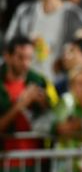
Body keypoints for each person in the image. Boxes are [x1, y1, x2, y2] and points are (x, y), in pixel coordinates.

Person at [5, 0, 82, 83]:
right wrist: (26, 42)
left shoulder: (73, 14)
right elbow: (9, 40)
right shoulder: (24, 11)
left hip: (59, 82)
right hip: (26, 81)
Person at [0, 36, 58, 170]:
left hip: (38, 162)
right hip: (7, 163)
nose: (26, 63)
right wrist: (20, 105)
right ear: (7, 56)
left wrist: (43, 103)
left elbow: (53, 116)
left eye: (29, 58)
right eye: (20, 57)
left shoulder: (39, 81)